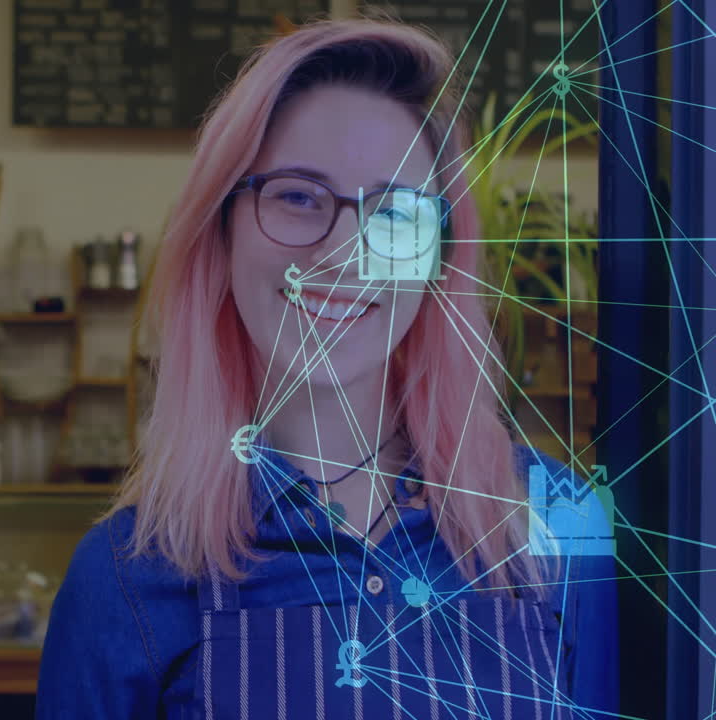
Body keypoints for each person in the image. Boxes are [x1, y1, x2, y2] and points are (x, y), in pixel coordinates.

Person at [36, 17, 618, 719]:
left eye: (395, 212)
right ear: (219, 232)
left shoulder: (559, 524)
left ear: (439, 258)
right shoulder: (124, 579)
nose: (345, 252)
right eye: (297, 195)